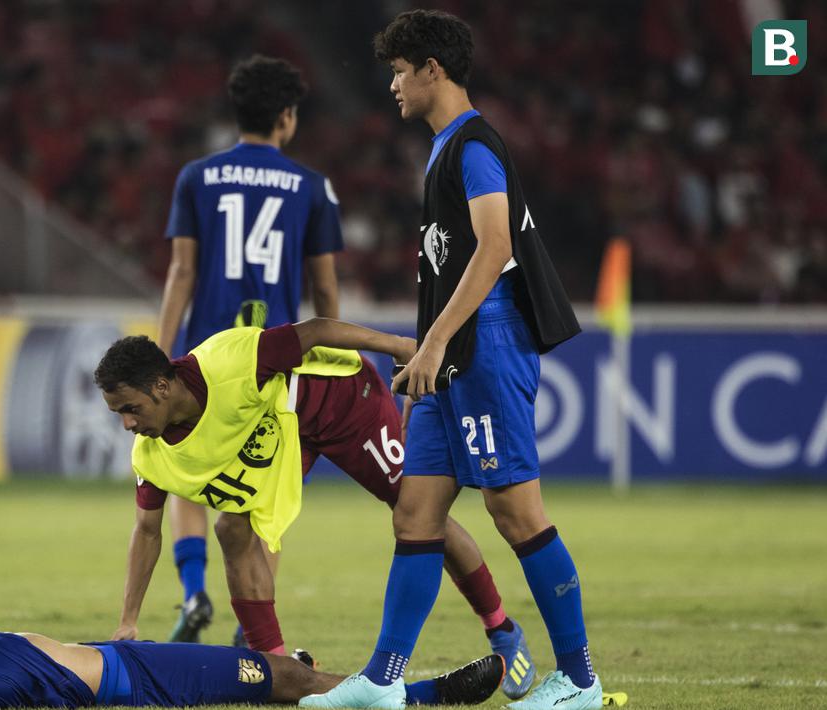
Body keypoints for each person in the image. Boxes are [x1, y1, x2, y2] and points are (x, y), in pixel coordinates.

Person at [300, 11, 598, 710]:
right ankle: (380, 680)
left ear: (433, 67)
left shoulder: (473, 146)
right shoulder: (442, 149)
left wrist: (433, 343)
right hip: (449, 352)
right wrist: (425, 361)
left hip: (484, 344)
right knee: (415, 512)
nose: (393, 86)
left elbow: (496, 247)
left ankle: (580, 680)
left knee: (514, 512)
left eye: (400, 71)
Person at [96, 318, 531, 707]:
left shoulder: (229, 360)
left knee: (418, 513)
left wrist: (400, 346)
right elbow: (147, 531)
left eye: (130, 409)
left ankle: (501, 628)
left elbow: (318, 331)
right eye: (118, 414)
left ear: (160, 387)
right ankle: (278, 668)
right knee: (233, 527)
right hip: (282, 431)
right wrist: (128, 621)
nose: (127, 425)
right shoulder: (149, 456)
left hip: (342, 401)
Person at [156, 54, 343, 645]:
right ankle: (250, 627)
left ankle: (192, 591)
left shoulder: (195, 177)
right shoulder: (312, 187)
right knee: (263, 496)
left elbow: (181, 273)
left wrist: (160, 355)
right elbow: (325, 286)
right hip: (272, 361)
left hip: (203, 361)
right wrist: (333, 357)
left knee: (183, 474)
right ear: (286, 117)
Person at [0, 603, 505, 709]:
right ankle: (427, 696)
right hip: (135, 680)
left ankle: (265, 678)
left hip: (114, 662)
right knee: (281, 675)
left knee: (264, 671)